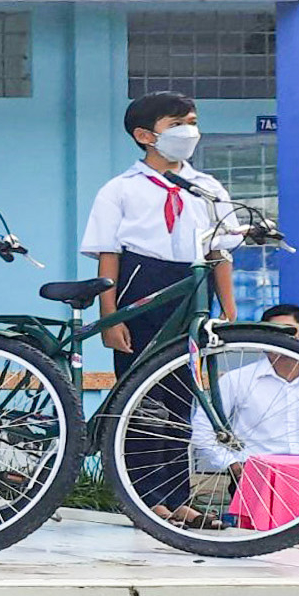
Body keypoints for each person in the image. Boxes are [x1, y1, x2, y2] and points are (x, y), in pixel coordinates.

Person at [81, 90, 240, 530]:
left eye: (192, 120)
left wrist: (227, 309)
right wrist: (109, 320)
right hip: (140, 286)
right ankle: (145, 498)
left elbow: (221, 253)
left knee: (184, 397)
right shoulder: (120, 189)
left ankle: (176, 496)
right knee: (141, 399)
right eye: (177, 124)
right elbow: (107, 256)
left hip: (192, 287)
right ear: (144, 135)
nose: (189, 130)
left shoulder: (208, 188)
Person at [192, 304, 299, 475]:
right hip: (255, 476)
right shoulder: (237, 379)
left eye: (289, 332)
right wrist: (231, 463)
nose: (281, 340)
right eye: (273, 334)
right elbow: (202, 428)